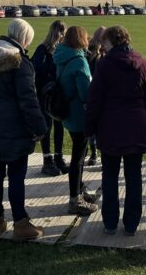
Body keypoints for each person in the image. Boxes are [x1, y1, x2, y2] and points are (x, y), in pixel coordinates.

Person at [85, 26, 146, 235]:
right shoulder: (143, 63)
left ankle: (110, 222)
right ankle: (132, 223)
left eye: (105, 43)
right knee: (134, 177)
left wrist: (89, 127)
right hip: (136, 125)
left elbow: (95, 99)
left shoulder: (105, 65)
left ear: (111, 42)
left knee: (110, 177)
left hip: (110, 127)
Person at [0, 19, 48, 240]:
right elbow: (28, 100)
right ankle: (20, 223)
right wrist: (39, 127)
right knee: (16, 176)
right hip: (15, 125)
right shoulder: (19, 63)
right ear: (23, 39)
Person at [53, 25, 97, 215]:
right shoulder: (79, 61)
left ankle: (80, 189)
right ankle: (74, 199)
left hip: (66, 111)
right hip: (78, 114)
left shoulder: (60, 55)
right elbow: (86, 93)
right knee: (78, 157)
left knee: (79, 153)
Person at [31, 20, 68, 176]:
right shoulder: (43, 49)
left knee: (59, 124)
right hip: (45, 93)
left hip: (58, 93)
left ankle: (58, 157)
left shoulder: (63, 49)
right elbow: (35, 69)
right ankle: (47, 159)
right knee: (47, 125)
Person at [85, 25, 107, 166]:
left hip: (92, 92)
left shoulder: (90, 52)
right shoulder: (96, 54)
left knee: (94, 125)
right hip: (96, 92)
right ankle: (96, 153)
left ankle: (94, 153)